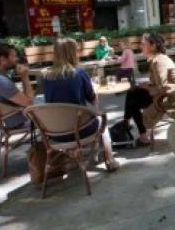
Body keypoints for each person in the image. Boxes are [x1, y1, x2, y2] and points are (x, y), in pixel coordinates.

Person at [40, 38, 120, 172]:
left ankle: (72, 156)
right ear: (73, 53)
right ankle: (110, 160)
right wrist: (94, 90)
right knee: (102, 122)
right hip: (79, 130)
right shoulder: (79, 73)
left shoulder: (45, 76)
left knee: (67, 118)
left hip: (54, 132)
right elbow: (93, 100)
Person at [121, 33, 175, 146]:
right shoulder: (158, 59)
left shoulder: (159, 61)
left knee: (133, 97)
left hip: (169, 98)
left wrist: (146, 87)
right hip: (167, 94)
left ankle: (132, 127)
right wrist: (147, 85)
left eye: (143, 44)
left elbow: (162, 87)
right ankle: (127, 123)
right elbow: (159, 83)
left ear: (153, 46)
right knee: (133, 92)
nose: (140, 47)